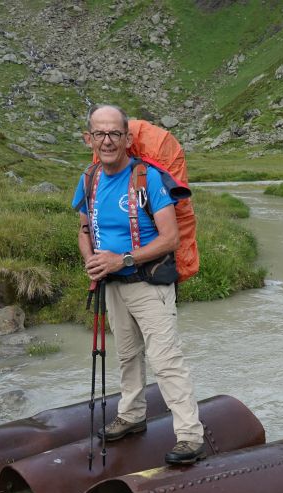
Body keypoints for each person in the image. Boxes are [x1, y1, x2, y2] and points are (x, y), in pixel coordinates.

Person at [72, 104, 206, 465]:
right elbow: (85, 229)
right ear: (89, 139)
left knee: (166, 360)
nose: (107, 141)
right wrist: (91, 259)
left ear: (128, 138)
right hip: (112, 285)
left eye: (115, 133)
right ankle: (131, 416)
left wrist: (124, 259)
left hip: (149, 284)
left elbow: (171, 238)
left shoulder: (147, 179)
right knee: (127, 355)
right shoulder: (89, 179)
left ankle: (191, 436)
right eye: (99, 134)